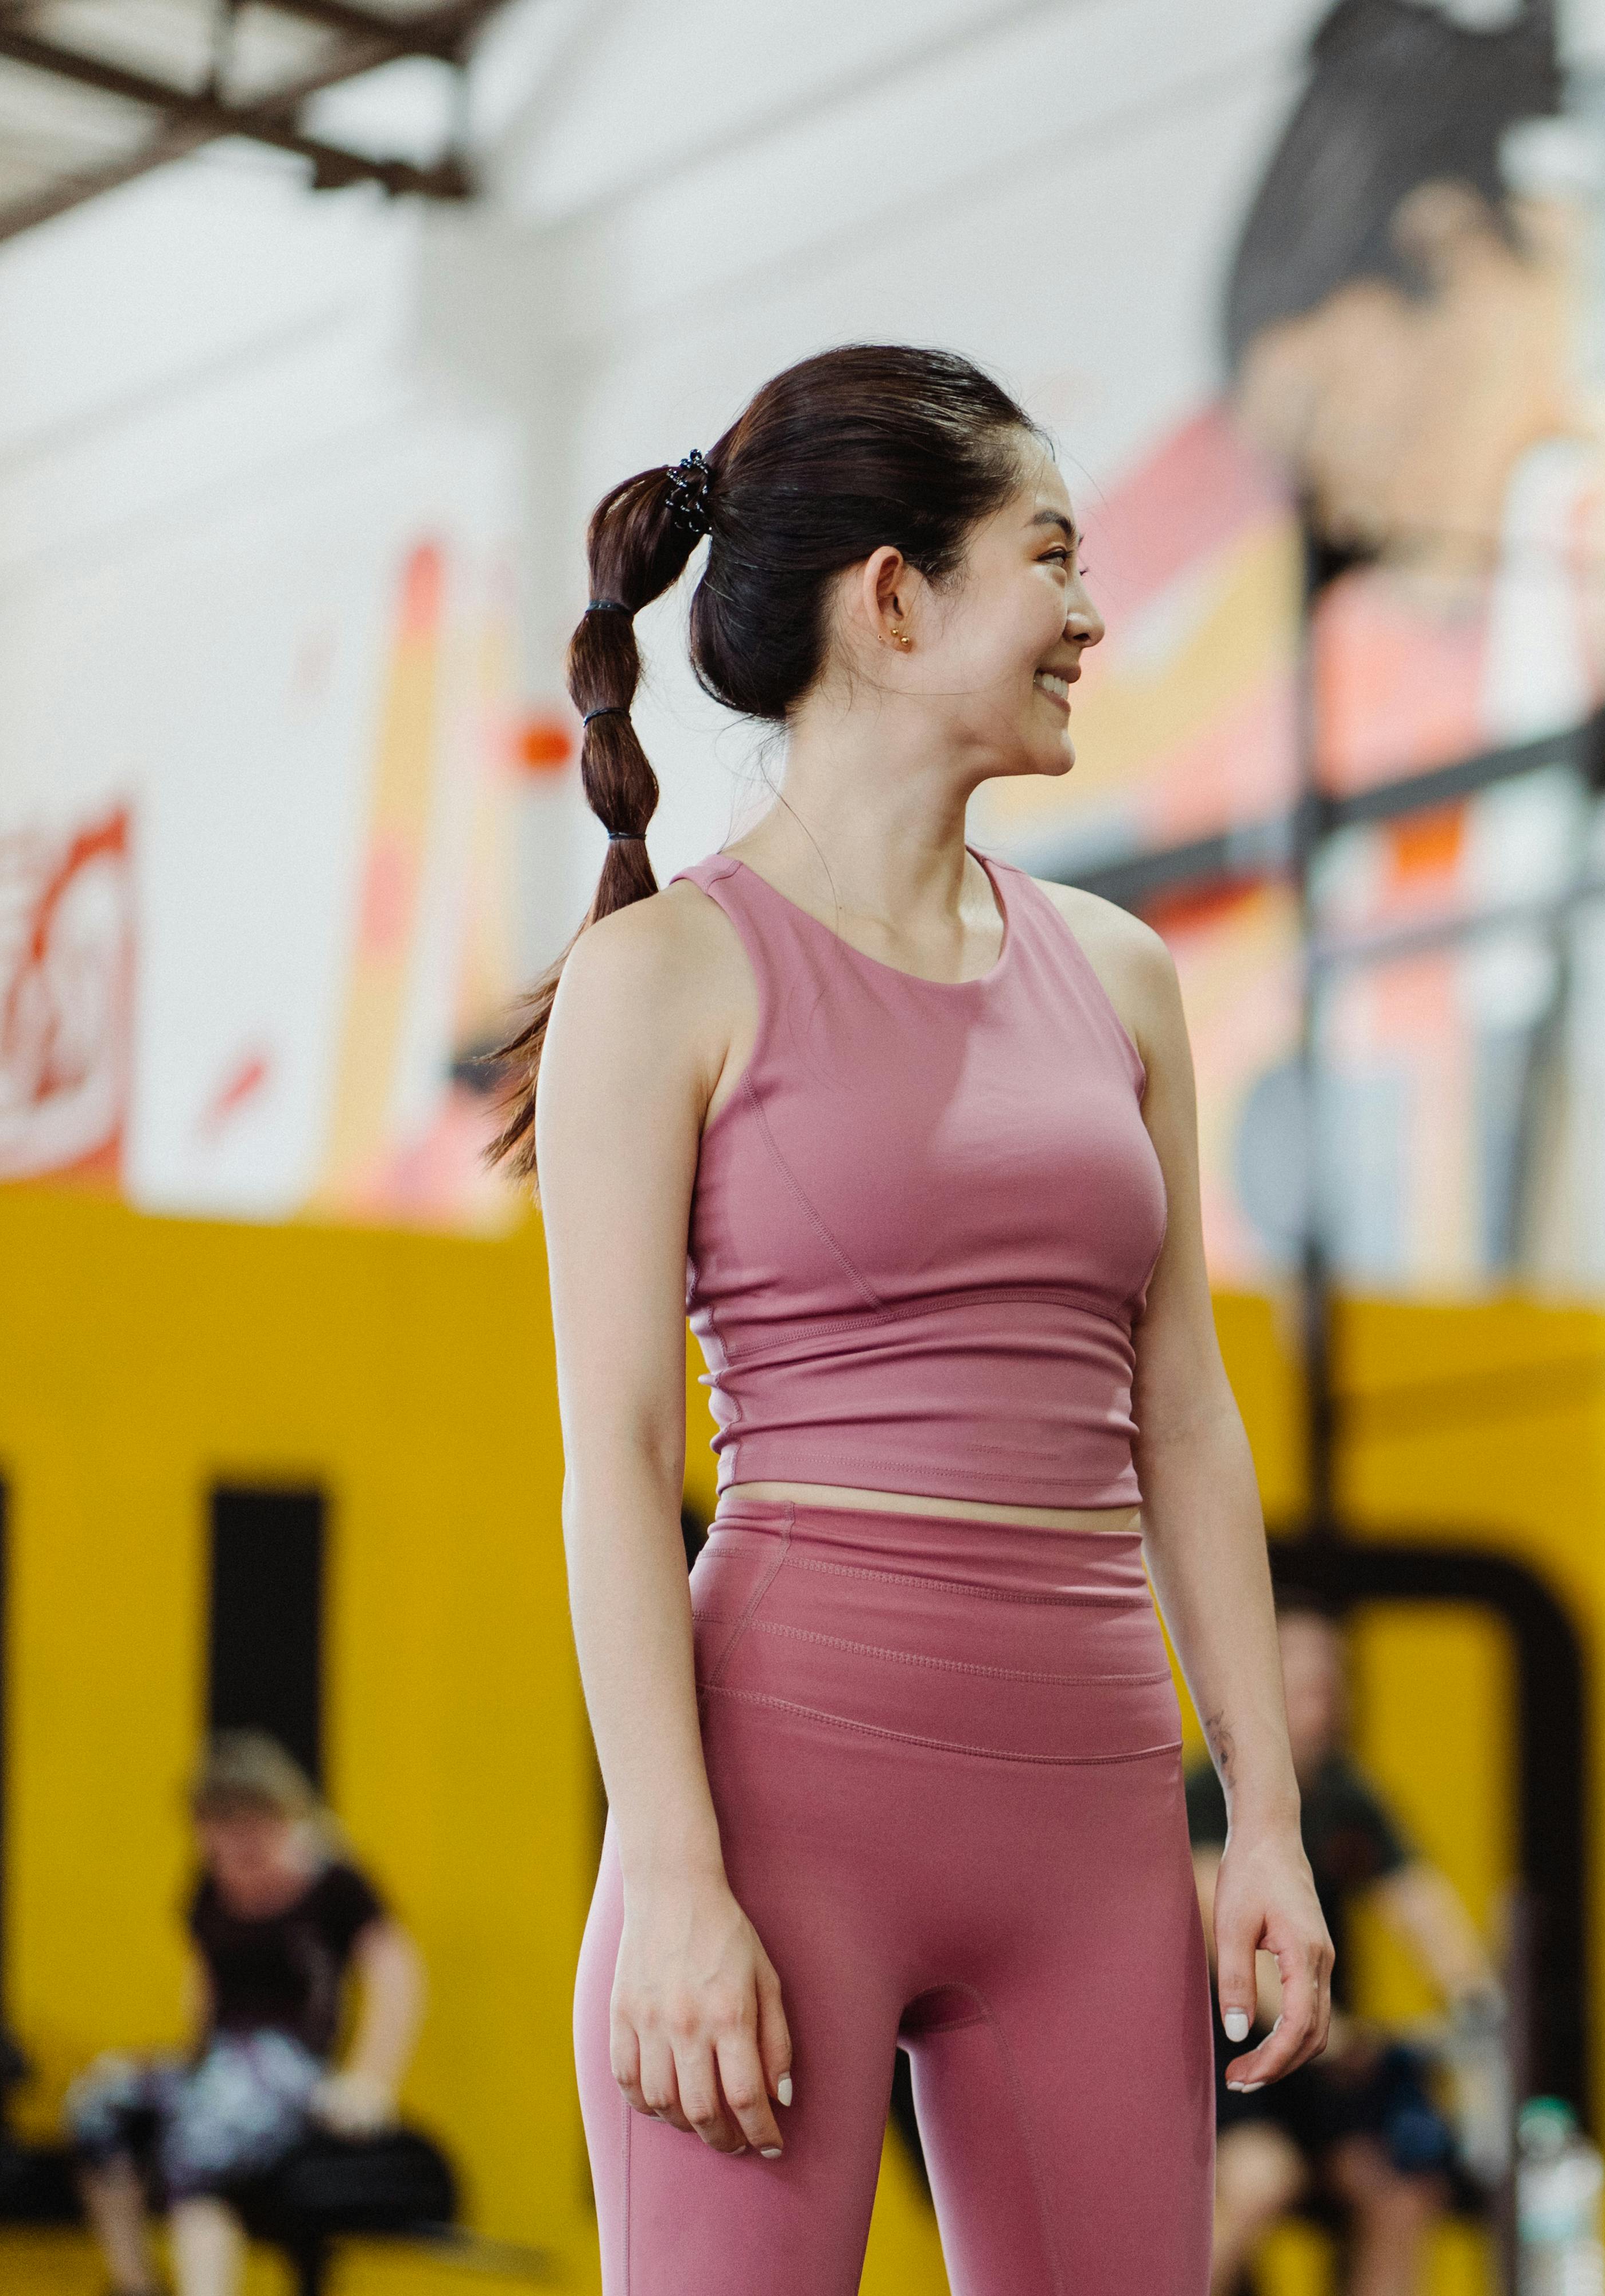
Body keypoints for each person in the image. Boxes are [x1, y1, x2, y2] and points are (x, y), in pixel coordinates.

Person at [500, 344, 1334, 2295]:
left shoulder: (1121, 980)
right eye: (1051, 557)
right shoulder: (666, 978)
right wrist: (680, 1881)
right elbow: (619, 1467)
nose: (1095, 615)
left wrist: (1269, 1819)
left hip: (1097, 1818)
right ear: (895, 599)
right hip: (780, 1813)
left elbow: (1185, 1416)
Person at [1190, 1604, 1501, 2296]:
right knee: (1257, 2182)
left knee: (1400, 2184)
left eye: (1328, 1690)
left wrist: (1476, 2001)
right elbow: (1223, 1924)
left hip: (1312, 2043)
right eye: (1300, 1689)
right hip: (1235, 2044)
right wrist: (1305, 2017)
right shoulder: (1208, 1794)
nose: (1318, 1708)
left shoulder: (1344, 1798)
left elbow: (1419, 1903)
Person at [68, 1732, 425, 2296]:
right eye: (221, 1831)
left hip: (290, 2061)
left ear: (284, 1814)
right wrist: (191, 2063)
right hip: (220, 2058)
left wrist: (370, 2080)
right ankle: (134, 2282)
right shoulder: (209, 1884)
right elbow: (204, 1981)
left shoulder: (332, 1880)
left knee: (203, 2138)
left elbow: (396, 1975)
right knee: (98, 2105)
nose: (238, 1847)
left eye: (252, 1828)